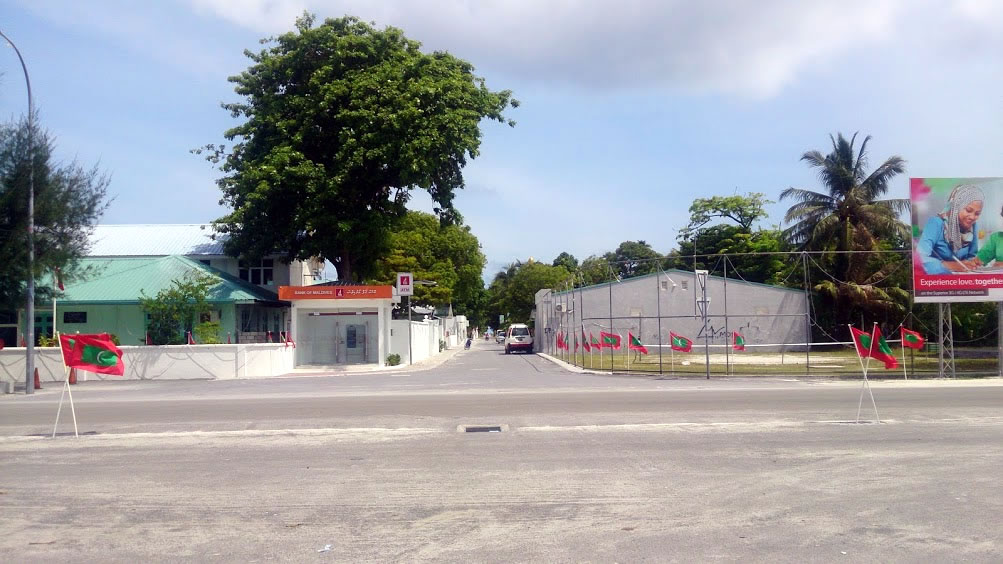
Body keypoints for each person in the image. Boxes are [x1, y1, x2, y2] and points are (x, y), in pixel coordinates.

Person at [917, 184, 984, 274]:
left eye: (977, 213)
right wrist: (950, 265)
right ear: (956, 206)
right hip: (938, 282)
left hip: (963, 280)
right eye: (968, 210)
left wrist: (973, 262)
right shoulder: (936, 223)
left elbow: (972, 256)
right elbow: (920, 258)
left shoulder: (973, 226)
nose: (972, 217)